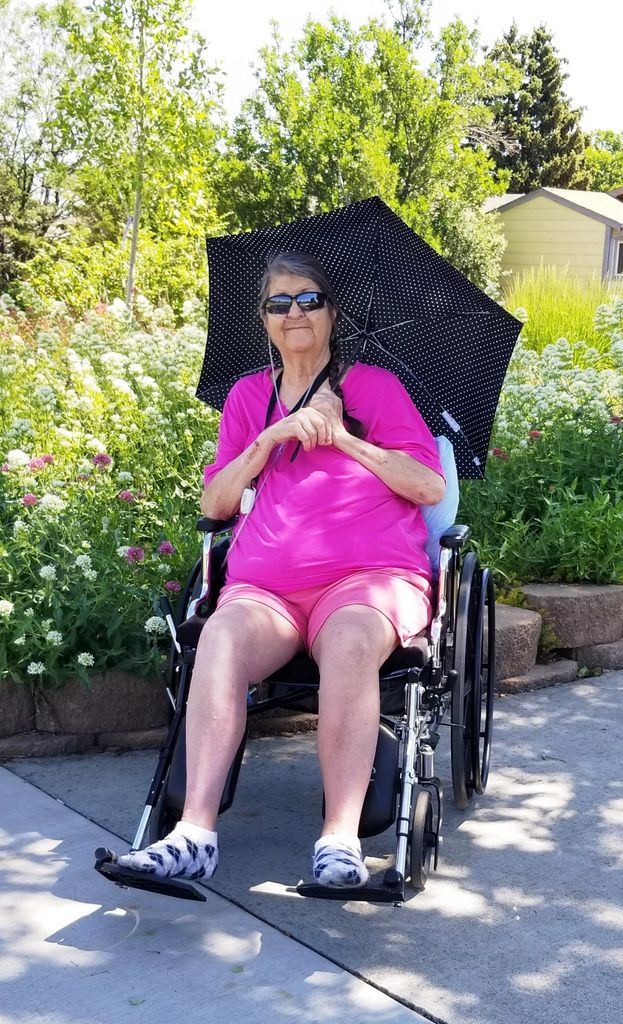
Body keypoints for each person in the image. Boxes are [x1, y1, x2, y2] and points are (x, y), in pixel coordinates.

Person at [119, 252, 445, 888]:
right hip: (267, 588)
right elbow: (215, 504)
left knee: (351, 640)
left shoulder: (375, 388)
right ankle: (194, 835)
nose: (294, 312)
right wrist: (269, 439)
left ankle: (339, 841)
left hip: (368, 578)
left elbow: (428, 486)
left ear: (332, 312)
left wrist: (342, 436)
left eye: (309, 299)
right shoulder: (248, 396)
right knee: (219, 635)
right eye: (279, 302)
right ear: (265, 318)